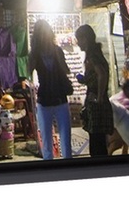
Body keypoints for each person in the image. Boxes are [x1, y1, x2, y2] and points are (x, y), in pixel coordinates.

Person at [28, 19, 73, 159]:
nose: (44, 36)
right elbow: (28, 72)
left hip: (60, 99)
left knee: (66, 140)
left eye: (45, 32)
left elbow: (66, 70)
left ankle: (69, 168)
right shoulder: (35, 54)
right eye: (41, 33)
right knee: (46, 143)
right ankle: (50, 168)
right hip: (44, 100)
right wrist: (31, 59)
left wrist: (59, 62)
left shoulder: (57, 50)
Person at [75, 24, 114, 156]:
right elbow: (98, 75)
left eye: (79, 39)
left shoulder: (92, 56)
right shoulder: (96, 54)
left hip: (96, 103)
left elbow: (101, 74)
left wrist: (99, 97)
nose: (78, 43)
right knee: (98, 140)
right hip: (97, 101)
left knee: (97, 141)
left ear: (85, 39)